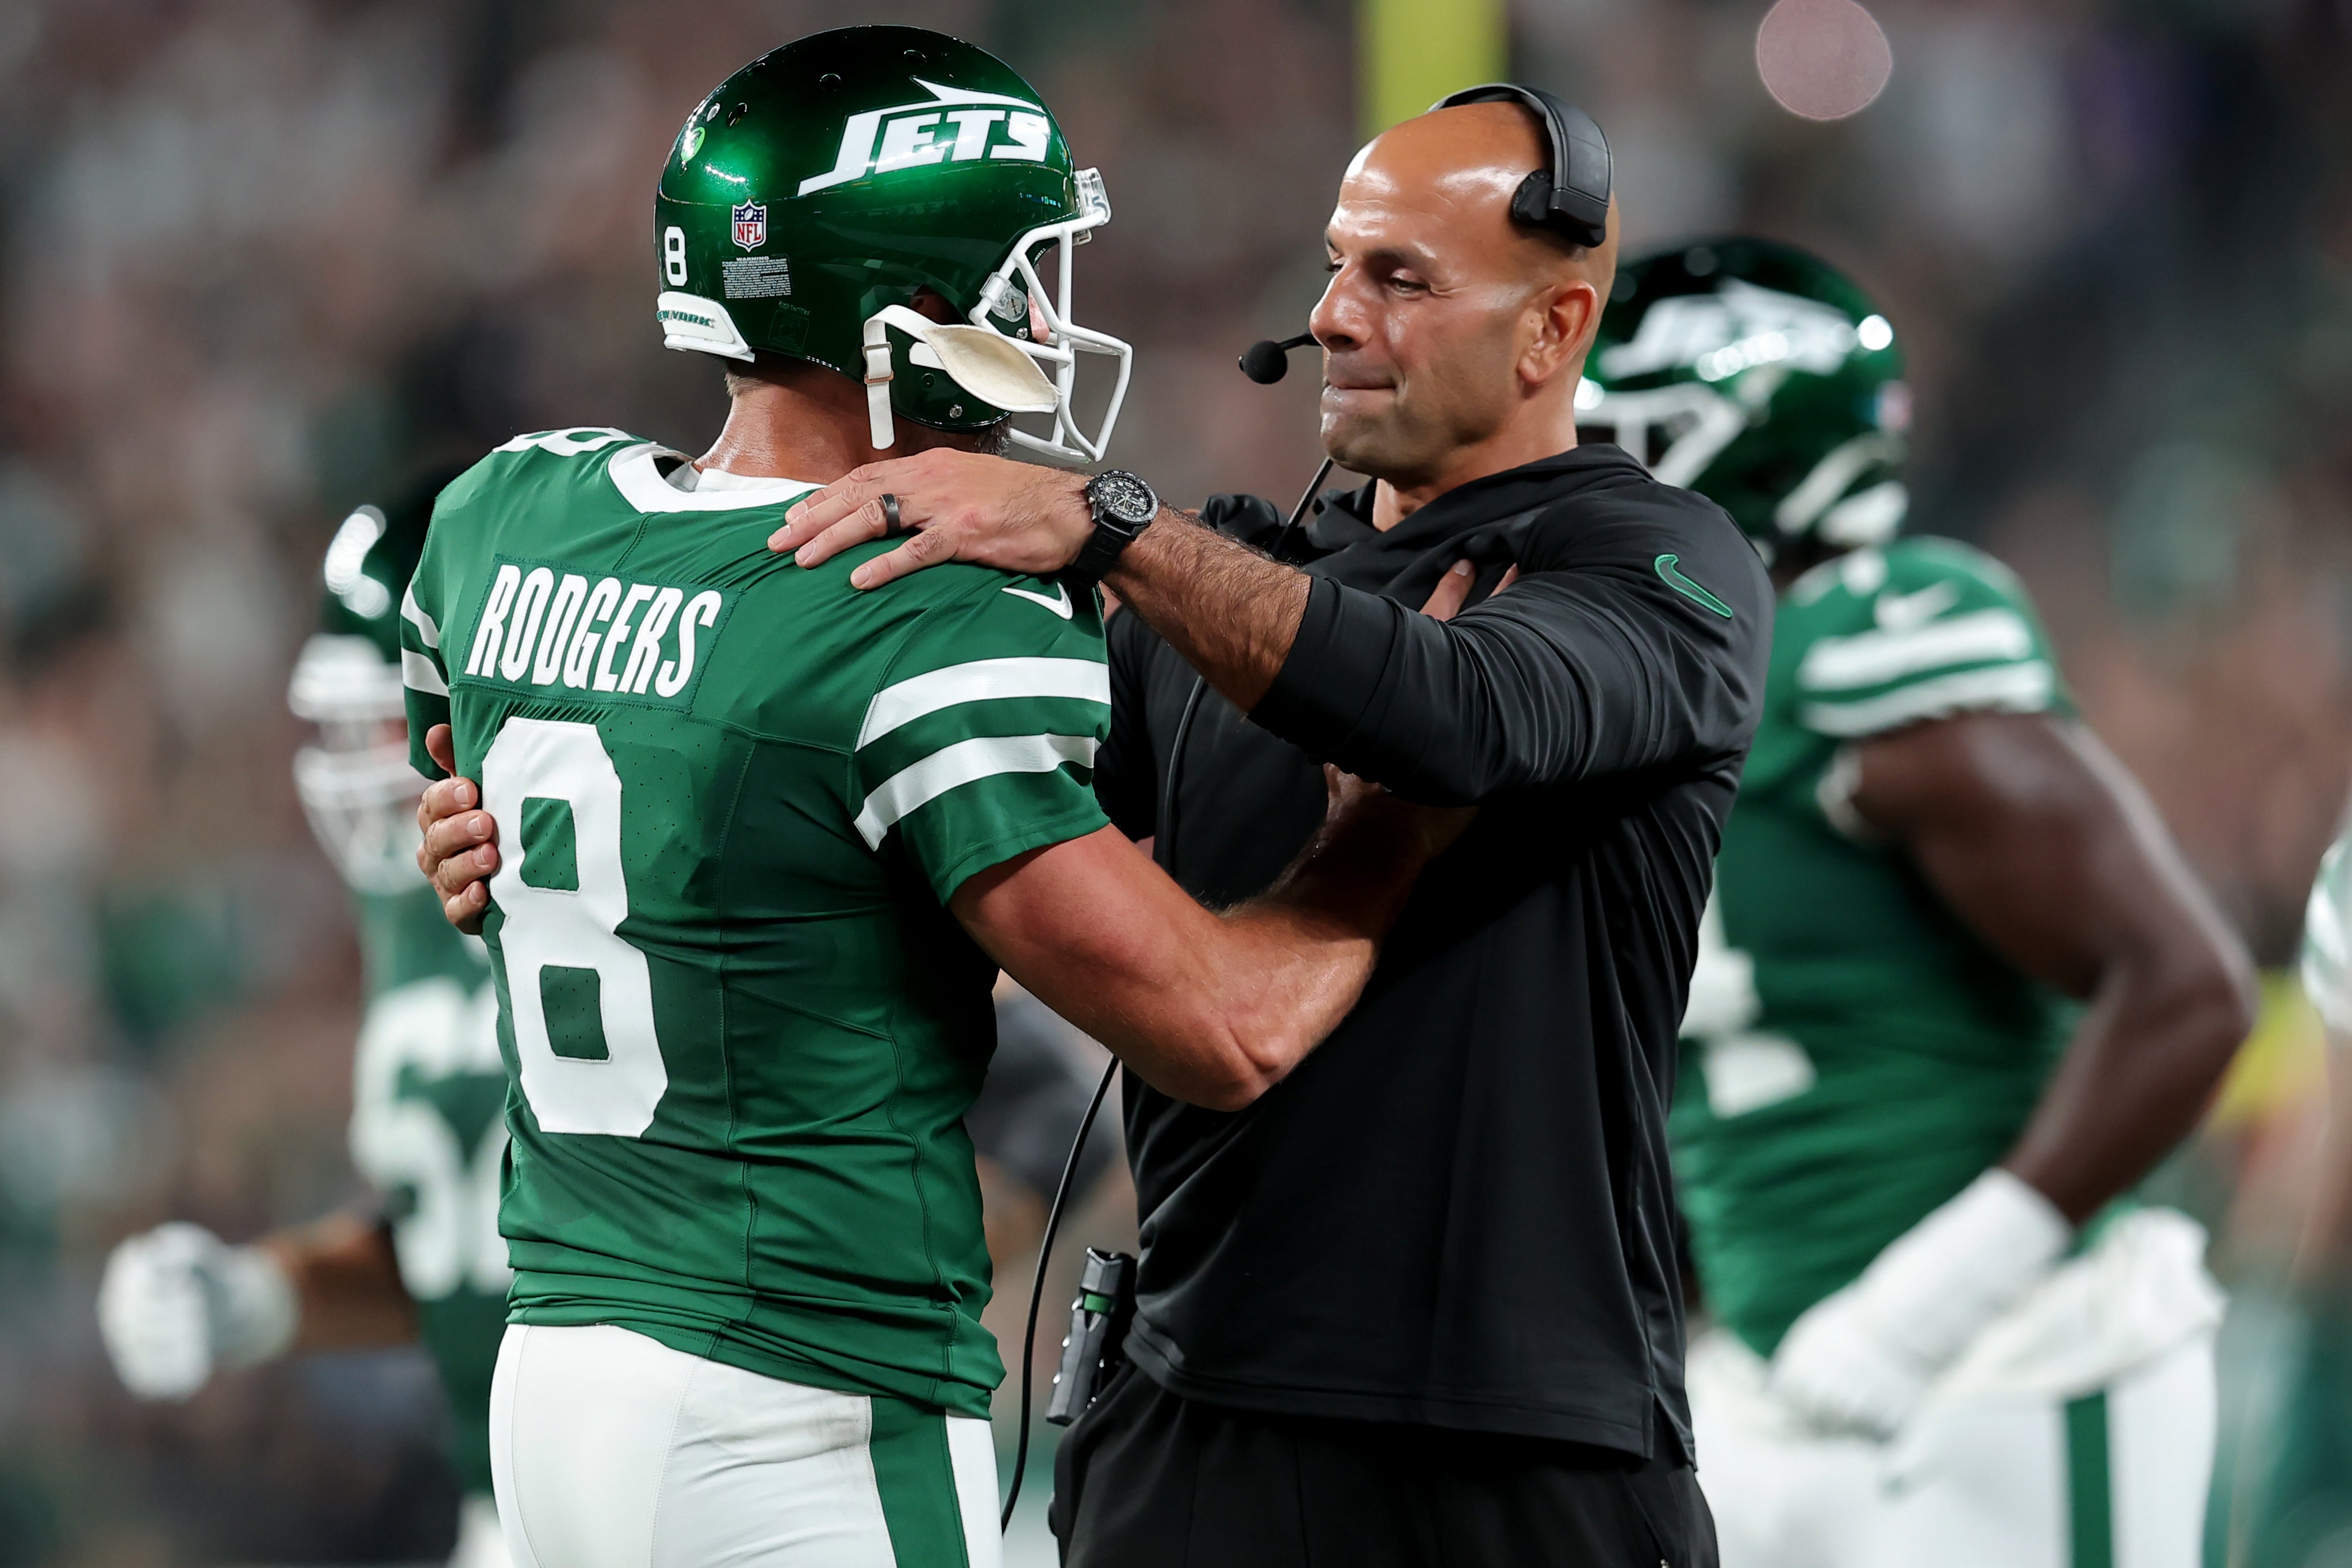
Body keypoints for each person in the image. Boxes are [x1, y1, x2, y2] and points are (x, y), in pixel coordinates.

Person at [399, 27, 1463, 1568]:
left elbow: (467, 782)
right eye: (1018, 271)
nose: (1038, 313)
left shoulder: (513, 513)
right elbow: (1223, 1032)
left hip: (558, 1368)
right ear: (896, 307)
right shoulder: (919, 607)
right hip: (795, 1410)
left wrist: (464, 836)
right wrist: (1390, 831)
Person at [746, 92, 1773, 1567]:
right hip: (1195, 1412)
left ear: (1553, 328)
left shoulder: (1661, 563)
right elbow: (907, 802)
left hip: (1520, 1439)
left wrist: (1109, 523)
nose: (1333, 314)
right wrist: (520, 834)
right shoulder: (1218, 582)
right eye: (1339, 264)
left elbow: (1453, 715)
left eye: (1400, 279)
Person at [1577, 239, 2255, 1567]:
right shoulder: (1670, 711)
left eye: (1624, 441)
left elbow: (2189, 991)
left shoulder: (1870, 640)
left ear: (1747, 447)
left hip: (2005, 1368)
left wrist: (1929, 1301)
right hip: (1782, 1382)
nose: (1585, 486)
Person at [98, 473, 513, 1568]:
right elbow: (457, 1245)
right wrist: (258, 1300)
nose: (364, 758)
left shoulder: (627, 882)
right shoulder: (410, 910)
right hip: (514, 1509)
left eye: (391, 713)